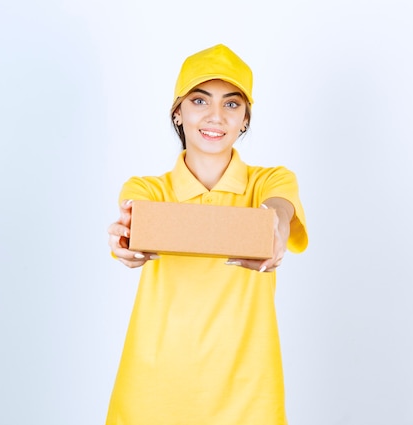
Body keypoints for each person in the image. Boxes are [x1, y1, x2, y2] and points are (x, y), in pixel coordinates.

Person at [105, 44, 308, 425]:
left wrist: (276, 227)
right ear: (178, 113)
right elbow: (133, 221)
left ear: (245, 119)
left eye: (232, 104)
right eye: (200, 100)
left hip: (248, 390)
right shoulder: (148, 190)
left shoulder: (269, 181)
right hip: (153, 387)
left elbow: (280, 209)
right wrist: (125, 243)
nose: (216, 116)